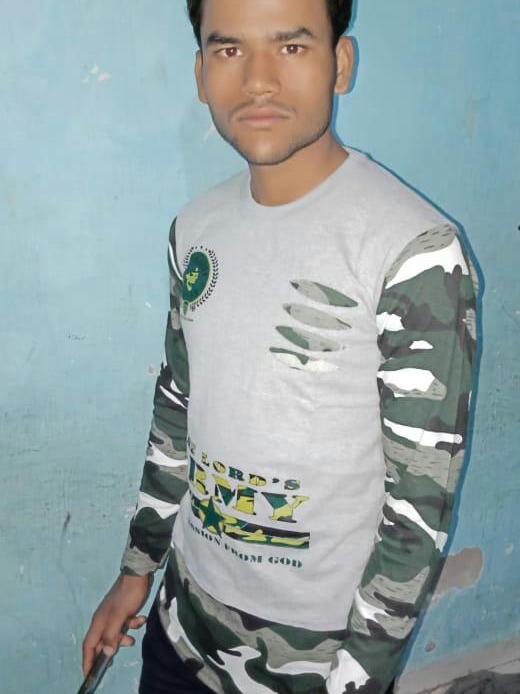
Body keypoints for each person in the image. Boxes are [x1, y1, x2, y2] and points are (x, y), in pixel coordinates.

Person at [82, 1, 479, 692]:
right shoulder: (195, 229)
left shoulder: (413, 253)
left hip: (316, 658)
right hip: (183, 627)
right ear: (201, 73)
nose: (258, 79)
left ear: (340, 65)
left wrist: (359, 677)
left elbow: (418, 511)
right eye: (229, 50)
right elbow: (177, 410)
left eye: (291, 47)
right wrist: (136, 571)